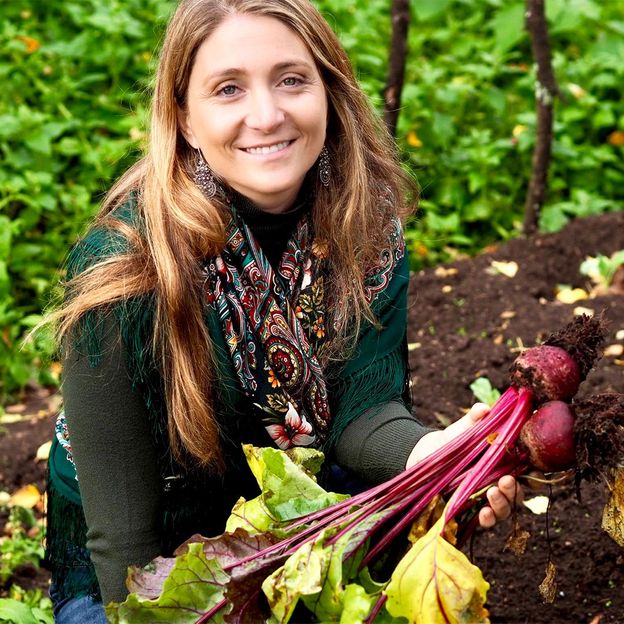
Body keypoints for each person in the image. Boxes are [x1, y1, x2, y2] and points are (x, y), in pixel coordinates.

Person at [45, 0, 522, 621]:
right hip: (147, 547)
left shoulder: (364, 221)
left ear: (328, 90)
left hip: (291, 508)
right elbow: (124, 542)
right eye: (228, 89)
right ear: (184, 118)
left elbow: (364, 407)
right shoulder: (126, 270)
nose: (266, 116)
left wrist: (434, 452)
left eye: (291, 79)